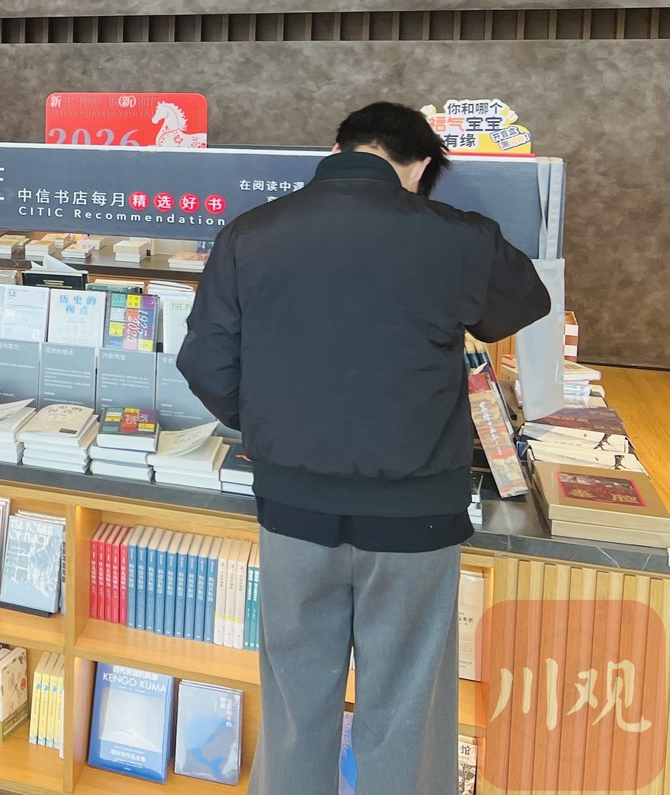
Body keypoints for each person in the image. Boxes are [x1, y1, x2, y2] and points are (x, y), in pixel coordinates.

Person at [176, 102, 550, 795]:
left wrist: (271, 426)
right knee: (406, 711)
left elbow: (206, 365)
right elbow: (523, 302)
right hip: (415, 516)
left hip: (293, 508)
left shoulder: (251, 233)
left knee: (295, 707)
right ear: (420, 165)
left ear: (338, 149)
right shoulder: (455, 236)